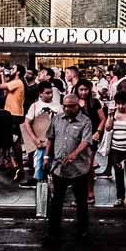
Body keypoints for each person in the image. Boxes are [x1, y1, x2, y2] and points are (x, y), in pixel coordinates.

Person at [42, 93, 96, 240]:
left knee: (81, 201)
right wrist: (46, 157)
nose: (66, 109)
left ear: (77, 106)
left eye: (70, 106)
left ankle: (82, 230)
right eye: (64, 106)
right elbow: (50, 138)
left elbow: (86, 141)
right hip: (59, 167)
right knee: (56, 201)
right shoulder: (57, 119)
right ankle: (53, 230)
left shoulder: (85, 121)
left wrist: (75, 154)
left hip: (78, 168)